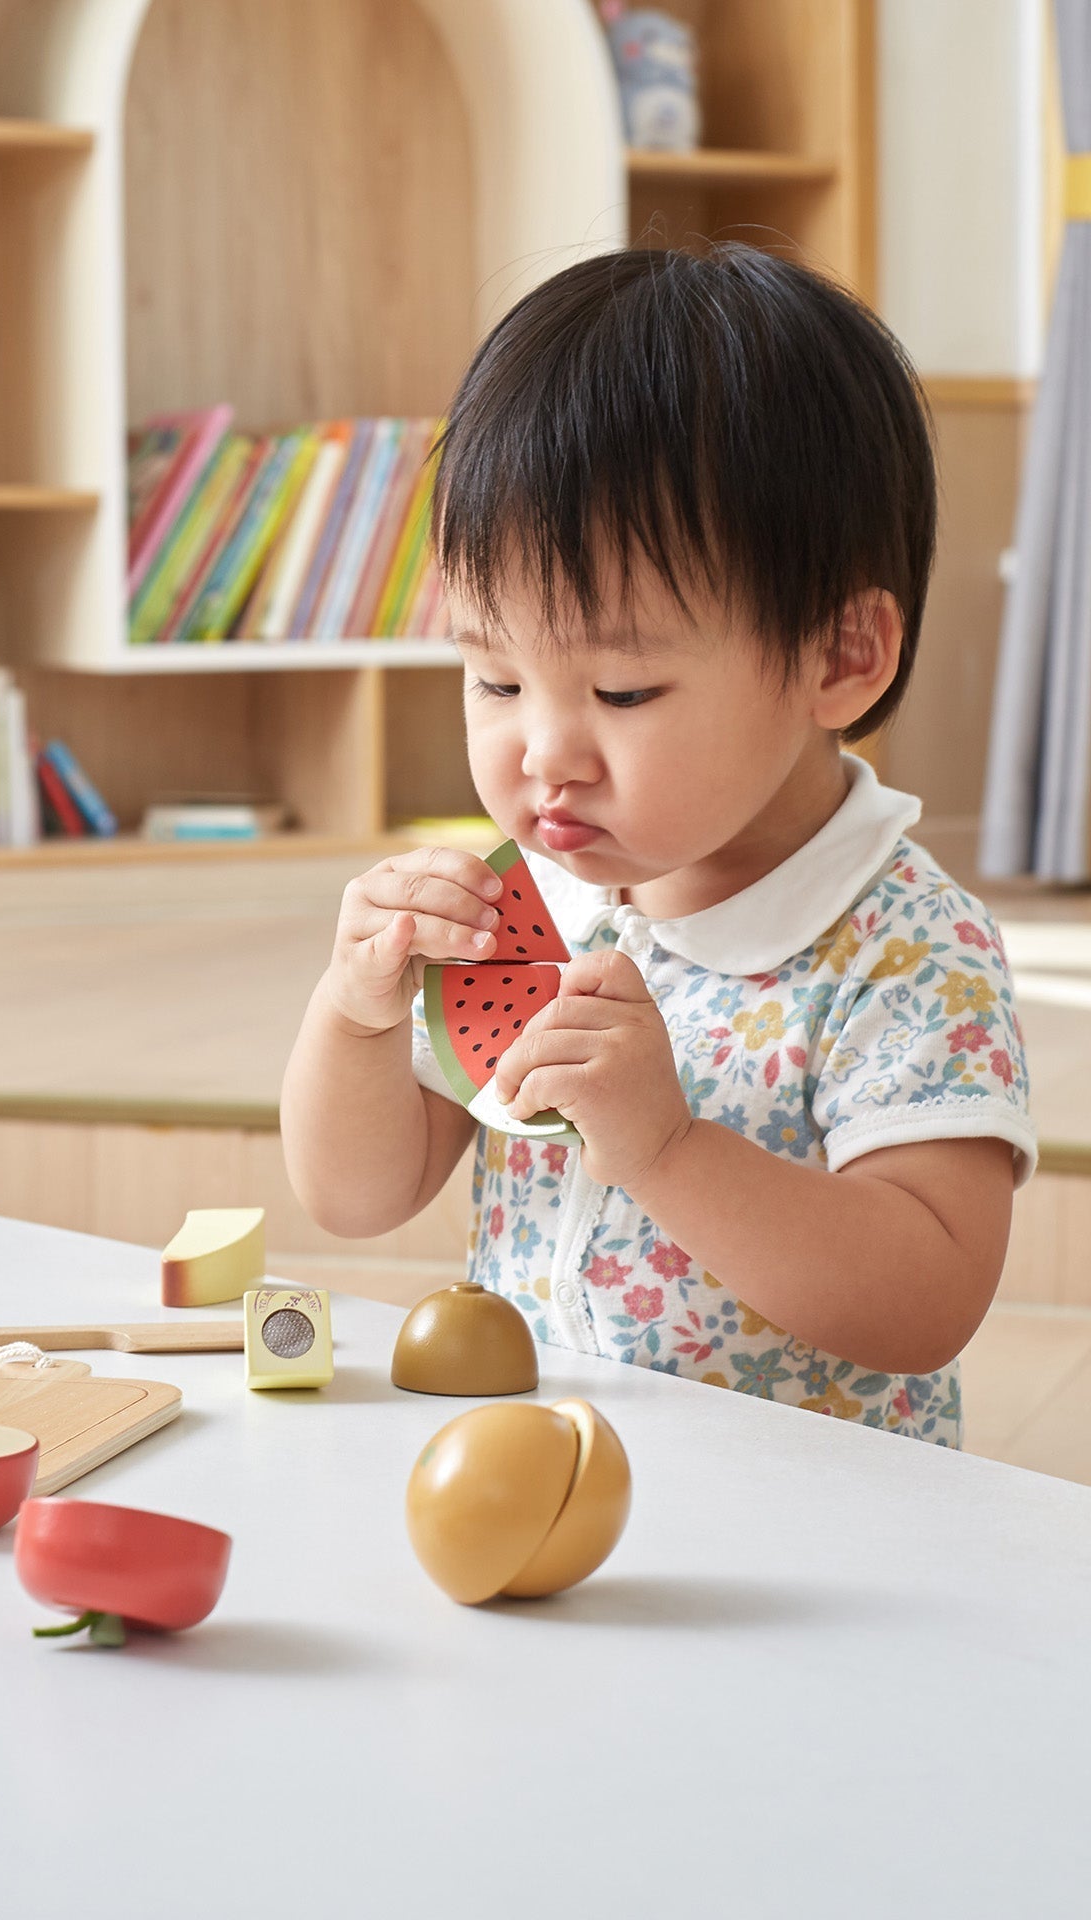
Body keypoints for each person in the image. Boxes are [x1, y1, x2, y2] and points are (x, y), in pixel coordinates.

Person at [280, 245, 1034, 1445]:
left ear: (841, 658)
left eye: (622, 691)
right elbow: (356, 1196)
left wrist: (671, 1149)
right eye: (495, 676)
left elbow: (928, 1299)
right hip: (546, 1475)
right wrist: (356, 1019)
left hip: (811, 1533)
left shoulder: (904, 948)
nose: (544, 753)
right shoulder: (533, 896)